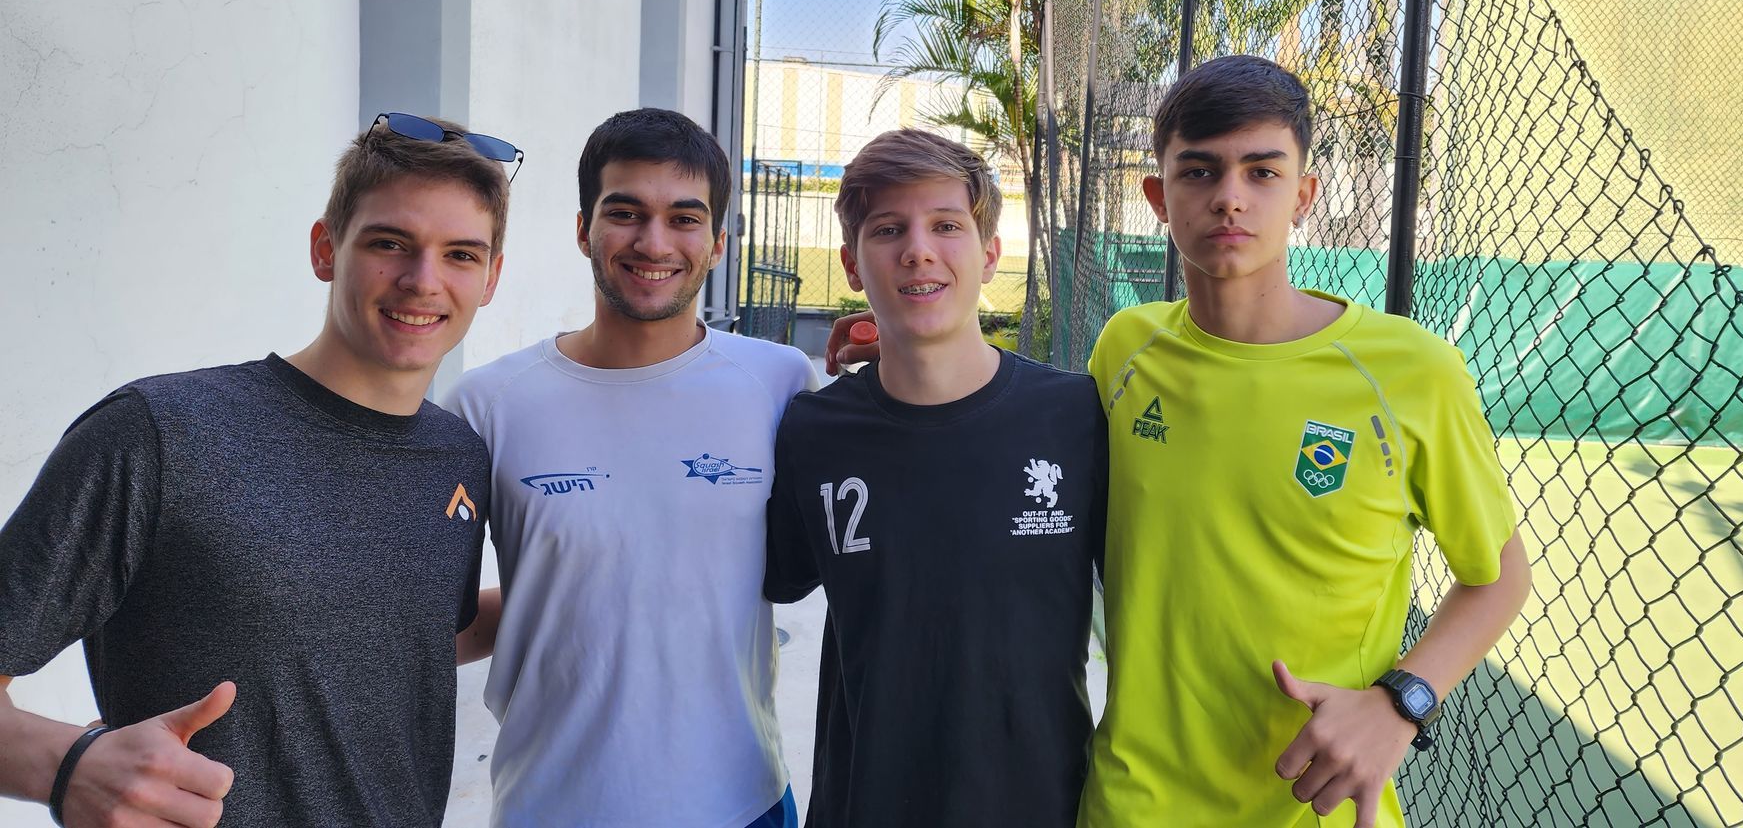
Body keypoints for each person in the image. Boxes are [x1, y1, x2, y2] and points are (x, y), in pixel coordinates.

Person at [827, 57, 1532, 828]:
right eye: (1199, 171)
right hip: (1131, 804)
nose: (1230, 196)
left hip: (1313, 809)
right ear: (1160, 198)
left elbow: (1496, 578)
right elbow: (1017, 423)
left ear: (1303, 195)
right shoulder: (1127, 349)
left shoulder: (1410, 372)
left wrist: (1402, 701)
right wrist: (908, 345)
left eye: (1262, 171)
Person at [0, 112, 517, 827]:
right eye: (390, 242)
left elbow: (407, 632)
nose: (422, 280)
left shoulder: (457, 457)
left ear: (490, 278)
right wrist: (66, 764)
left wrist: (581, 600)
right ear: (325, 248)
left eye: (461, 254)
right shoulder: (159, 432)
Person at [447, 108, 814, 828]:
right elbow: (436, 622)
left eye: (684, 217)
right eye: (626, 212)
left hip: (743, 804)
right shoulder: (489, 404)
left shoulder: (779, 383)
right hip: (549, 806)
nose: (654, 242)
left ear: (718, 243)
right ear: (583, 228)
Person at [765, 129, 1107, 828]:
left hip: (1040, 806)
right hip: (862, 803)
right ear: (852, 266)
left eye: (945, 225)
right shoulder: (812, 429)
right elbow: (776, 579)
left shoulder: (1074, 413)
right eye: (889, 229)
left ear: (989, 254)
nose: (918, 248)